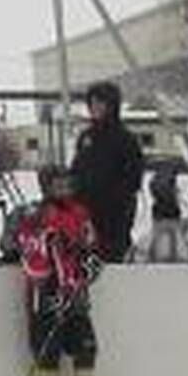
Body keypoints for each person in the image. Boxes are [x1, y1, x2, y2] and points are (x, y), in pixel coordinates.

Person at [4, 164, 107, 376]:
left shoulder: (81, 213)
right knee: (47, 355)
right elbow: (10, 246)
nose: (65, 188)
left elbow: (93, 249)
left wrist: (87, 270)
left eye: (67, 183)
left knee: (86, 348)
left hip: (75, 296)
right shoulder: (32, 214)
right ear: (45, 186)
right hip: (44, 297)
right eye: (58, 184)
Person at [69, 80, 144, 263]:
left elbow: (133, 178)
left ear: (112, 105)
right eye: (91, 103)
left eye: (100, 103)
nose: (95, 108)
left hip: (114, 217)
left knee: (112, 261)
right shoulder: (86, 137)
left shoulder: (126, 139)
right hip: (85, 215)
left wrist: (115, 200)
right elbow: (76, 170)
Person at [145, 156, 188, 263]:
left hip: (162, 213)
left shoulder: (157, 180)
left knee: (159, 238)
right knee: (174, 238)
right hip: (170, 213)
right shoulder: (168, 180)